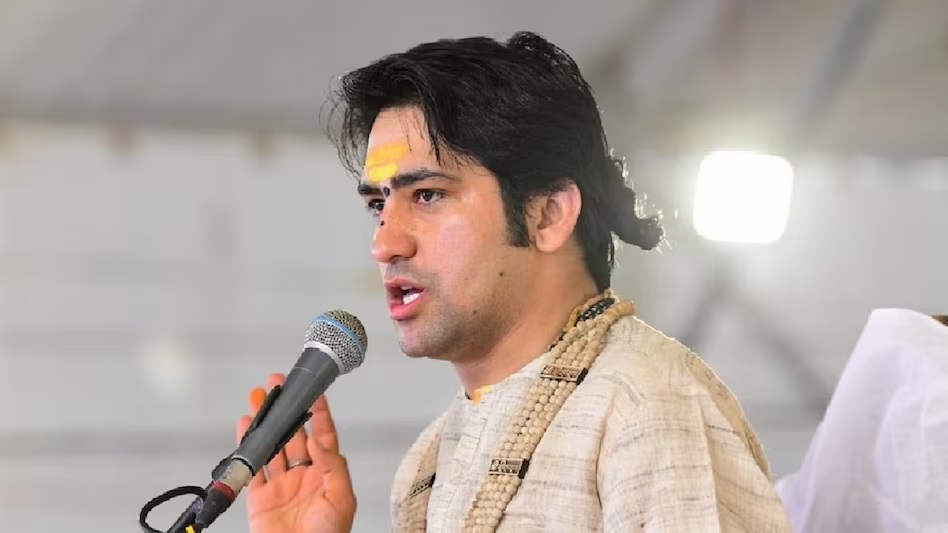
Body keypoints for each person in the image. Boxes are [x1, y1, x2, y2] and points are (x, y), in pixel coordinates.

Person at [236, 31, 792, 532]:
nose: (385, 244)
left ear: (548, 214)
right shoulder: (428, 465)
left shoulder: (646, 407)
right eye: (379, 205)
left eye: (427, 195)